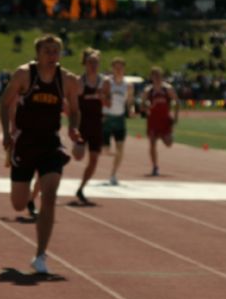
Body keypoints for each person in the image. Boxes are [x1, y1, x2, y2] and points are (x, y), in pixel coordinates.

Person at [0, 34, 82, 274]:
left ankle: (40, 255)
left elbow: (75, 110)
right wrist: (6, 133)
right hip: (25, 143)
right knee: (18, 204)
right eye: (47, 51)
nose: (52, 55)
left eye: (56, 51)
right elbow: (5, 104)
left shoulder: (67, 80)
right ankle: (30, 188)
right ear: (37, 54)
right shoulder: (24, 74)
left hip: (50, 144)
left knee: (50, 196)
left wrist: (73, 128)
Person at [74, 47, 110, 205]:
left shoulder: (105, 82)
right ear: (85, 63)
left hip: (97, 124)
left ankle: (81, 188)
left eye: (96, 62)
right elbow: (73, 104)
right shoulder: (79, 81)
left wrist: (103, 97)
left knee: (94, 159)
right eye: (91, 62)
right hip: (82, 125)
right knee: (78, 155)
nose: (94, 65)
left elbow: (108, 103)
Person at [141, 66, 180, 176]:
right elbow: (142, 107)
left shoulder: (167, 89)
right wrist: (147, 107)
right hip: (153, 121)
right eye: (155, 76)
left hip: (165, 120)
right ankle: (155, 167)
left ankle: (165, 135)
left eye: (159, 75)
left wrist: (176, 116)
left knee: (169, 143)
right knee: (152, 143)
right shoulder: (148, 91)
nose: (157, 78)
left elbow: (177, 102)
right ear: (151, 77)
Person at [102, 57, 134, 185]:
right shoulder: (107, 83)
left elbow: (130, 102)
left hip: (120, 119)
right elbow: (102, 98)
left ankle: (113, 174)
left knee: (120, 147)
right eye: (116, 67)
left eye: (121, 67)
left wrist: (131, 109)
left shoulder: (128, 85)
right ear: (112, 69)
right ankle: (112, 153)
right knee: (105, 150)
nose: (119, 69)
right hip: (107, 118)